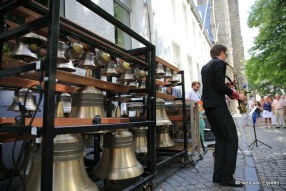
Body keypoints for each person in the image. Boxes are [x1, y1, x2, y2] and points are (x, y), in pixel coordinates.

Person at [201, 44, 245, 187]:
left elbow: (214, 84)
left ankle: (218, 176)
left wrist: (227, 86)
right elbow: (219, 85)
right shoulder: (219, 63)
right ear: (220, 52)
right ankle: (227, 177)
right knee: (232, 139)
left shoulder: (205, 66)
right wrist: (236, 95)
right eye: (226, 53)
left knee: (221, 140)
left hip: (209, 107)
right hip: (218, 106)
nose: (226, 56)